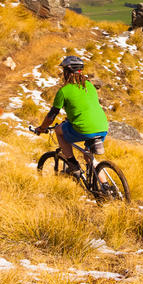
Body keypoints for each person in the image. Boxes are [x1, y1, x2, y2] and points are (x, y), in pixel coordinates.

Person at [34, 56, 113, 188]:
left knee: (59, 131)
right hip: (102, 126)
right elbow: (84, 107)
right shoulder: (90, 86)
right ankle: (105, 187)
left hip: (84, 128)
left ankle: (73, 165)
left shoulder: (64, 91)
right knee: (89, 157)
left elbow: (51, 116)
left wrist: (42, 128)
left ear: (67, 72)